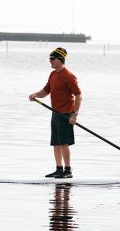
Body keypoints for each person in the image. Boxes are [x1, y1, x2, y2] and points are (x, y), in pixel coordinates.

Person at [29, 47, 82, 178]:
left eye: (52, 59)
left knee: (64, 143)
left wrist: (74, 115)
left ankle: (68, 171)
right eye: (49, 59)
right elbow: (46, 91)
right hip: (55, 114)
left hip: (66, 115)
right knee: (56, 143)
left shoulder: (69, 76)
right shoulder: (53, 75)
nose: (50, 61)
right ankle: (59, 169)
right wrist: (35, 94)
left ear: (59, 60)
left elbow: (78, 95)